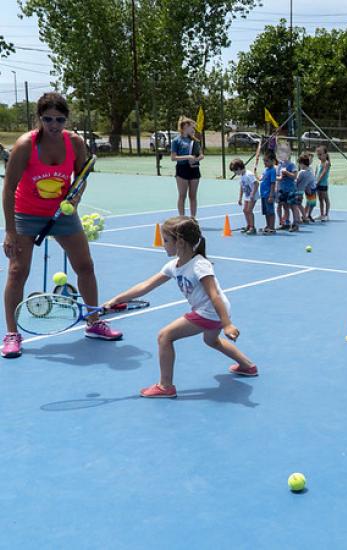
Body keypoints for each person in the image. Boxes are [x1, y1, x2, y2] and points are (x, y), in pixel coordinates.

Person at [2, 92, 122, 358]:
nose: (53, 125)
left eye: (59, 119)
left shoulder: (75, 143)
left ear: (67, 118)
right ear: (39, 118)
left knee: (85, 266)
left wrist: (76, 197)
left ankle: (94, 322)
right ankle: (12, 334)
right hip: (27, 214)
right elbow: (9, 188)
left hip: (62, 213)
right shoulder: (25, 145)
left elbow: (81, 178)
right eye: (47, 119)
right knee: (17, 272)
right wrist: (10, 231)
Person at [105, 216, 257, 398]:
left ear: (181, 243)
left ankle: (165, 386)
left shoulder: (200, 265)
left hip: (210, 312)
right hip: (215, 311)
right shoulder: (173, 266)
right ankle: (247, 366)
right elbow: (146, 286)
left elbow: (213, 294)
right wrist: (116, 299)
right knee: (211, 341)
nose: (163, 244)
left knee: (165, 336)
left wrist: (227, 324)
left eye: (167, 240)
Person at [171, 116, 203, 218]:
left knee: (193, 196)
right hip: (182, 169)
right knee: (182, 195)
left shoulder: (194, 141)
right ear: (185, 126)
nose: (193, 129)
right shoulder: (176, 141)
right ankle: (182, 218)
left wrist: (195, 159)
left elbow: (201, 155)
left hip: (194, 169)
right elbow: (173, 157)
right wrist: (187, 157)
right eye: (191, 127)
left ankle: (193, 218)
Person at [230, 158, 258, 235]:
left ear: (239, 168)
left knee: (249, 211)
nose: (235, 173)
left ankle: (252, 227)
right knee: (245, 210)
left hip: (253, 195)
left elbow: (256, 183)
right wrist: (240, 198)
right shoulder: (242, 176)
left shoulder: (249, 174)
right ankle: (248, 225)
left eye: (235, 171)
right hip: (247, 196)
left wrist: (252, 194)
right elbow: (242, 187)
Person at [259, 154, 277, 234]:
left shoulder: (272, 170)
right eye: (264, 161)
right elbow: (262, 178)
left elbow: (273, 183)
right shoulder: (265, 170)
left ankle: (272, 227)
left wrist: (271, 195)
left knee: (270, 212)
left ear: (273, 161)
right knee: (266, 212)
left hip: (268, 194)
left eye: (267, 161)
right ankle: (268, 226)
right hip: (263, 194)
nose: (265, 162)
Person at [294, 154, 315, 223]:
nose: (299, 165)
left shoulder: (301, 172)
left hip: (298, 191)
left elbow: (297, 181)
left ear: (302, 164)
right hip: (302, 191)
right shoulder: (310, 172)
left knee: (296, 205)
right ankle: (304, 217)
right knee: (299, 205)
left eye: (299, 164)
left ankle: (301, 218)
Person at [315, 145, 331, 222]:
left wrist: (317, 182)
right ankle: (321, 214)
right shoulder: (318, 164)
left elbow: (323, 174)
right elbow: (316, 174)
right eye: (318, 154)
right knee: (320, 199)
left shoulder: (327, 163)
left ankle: (326, 214)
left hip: (323, 184)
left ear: (325, 154)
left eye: (320, 154)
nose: (319, 156)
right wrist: (314, 181)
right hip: (318, 184)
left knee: (325, 199)